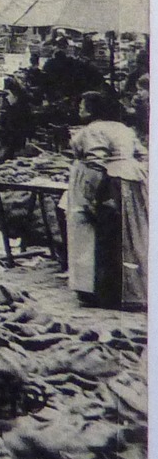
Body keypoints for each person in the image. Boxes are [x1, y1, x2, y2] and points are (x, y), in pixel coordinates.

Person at [65, 91, 148, 310]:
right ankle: (134, 290)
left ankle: (100, 291)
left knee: (99, 236)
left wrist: (91, 195)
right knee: (131, 235)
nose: (79, 109)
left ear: (93, 109)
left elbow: (96, 162)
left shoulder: (93, 130)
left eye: (83, 106)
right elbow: (142, 154)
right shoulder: (123, 129)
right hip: (131, 180)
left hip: (107, 184)